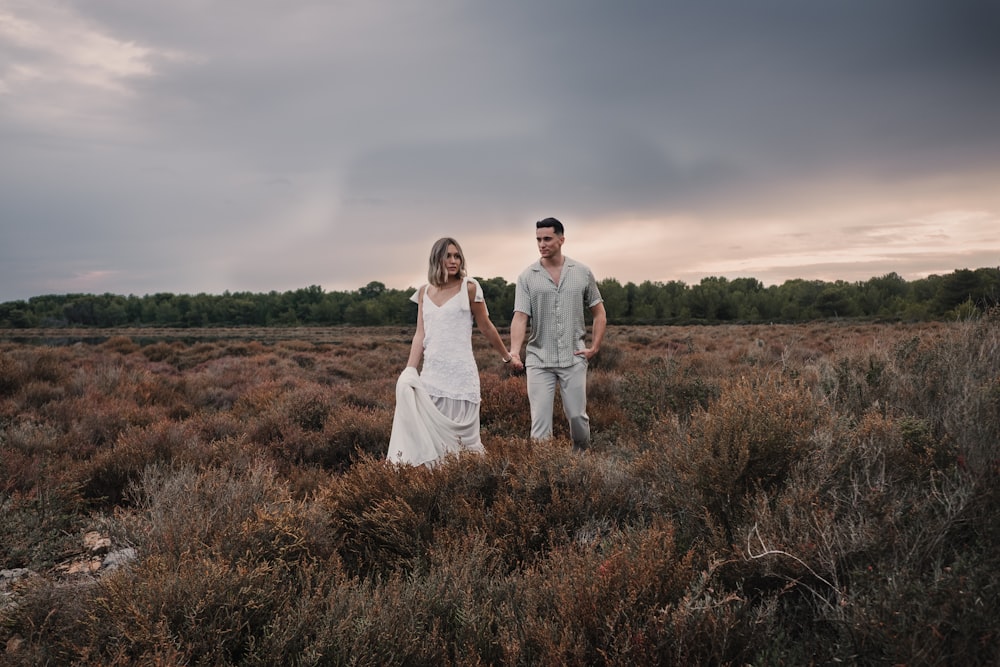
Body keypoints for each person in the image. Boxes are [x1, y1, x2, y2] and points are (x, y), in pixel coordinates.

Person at [387, 237, 515, 467]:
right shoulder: (424, 292)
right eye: (448, 256)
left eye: (457, 256)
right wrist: (409, 370)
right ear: (437, 259)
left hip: (461, 377)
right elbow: (420, 334)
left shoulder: (470, 288)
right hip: (431, 378)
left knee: (464, 445)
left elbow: (486, 326)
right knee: (433, 443)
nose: (454, 261)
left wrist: (507, 356)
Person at [509, 217, 606, 450]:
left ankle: (581, 460)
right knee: (540, 425)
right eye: (538, 240)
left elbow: (599, 313)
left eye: (547, 239)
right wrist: (514, 351)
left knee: (577, 417)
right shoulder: (527, 277)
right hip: (539, 360)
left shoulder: (582, 272)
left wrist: (594, 347)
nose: (542, 244)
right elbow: (520, 316)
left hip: (573, 357)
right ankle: (544, 473)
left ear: (561, 240)